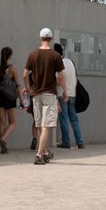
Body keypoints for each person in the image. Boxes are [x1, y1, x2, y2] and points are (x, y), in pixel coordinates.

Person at [23, 28, 67, 165]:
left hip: (36, 94)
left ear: (40, 38)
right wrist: (65, 90)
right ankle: (39, 154)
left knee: (40, 124)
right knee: (47, 125)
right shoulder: (55, 56)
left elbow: (25, 74)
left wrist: (29, 89)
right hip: (49, 93)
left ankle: (45, 151)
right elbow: (60, 77)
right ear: (51, 39)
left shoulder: (32, 55)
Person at [0, 46, 21, 154]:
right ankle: (3, 139)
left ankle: (3, 147)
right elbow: (18, 85)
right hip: (10, 97)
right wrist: (22, 99)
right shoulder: (13, 69)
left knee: (2, 122)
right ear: (10, 55)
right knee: (13, 122)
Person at [54, 43, 84, 149]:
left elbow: (59, 80)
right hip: (73, 94)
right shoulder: (70, 62)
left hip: (62, 93)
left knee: (64, 118)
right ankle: (80, 141)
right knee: (74, 118)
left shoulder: (58, 64)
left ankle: (66, 142)